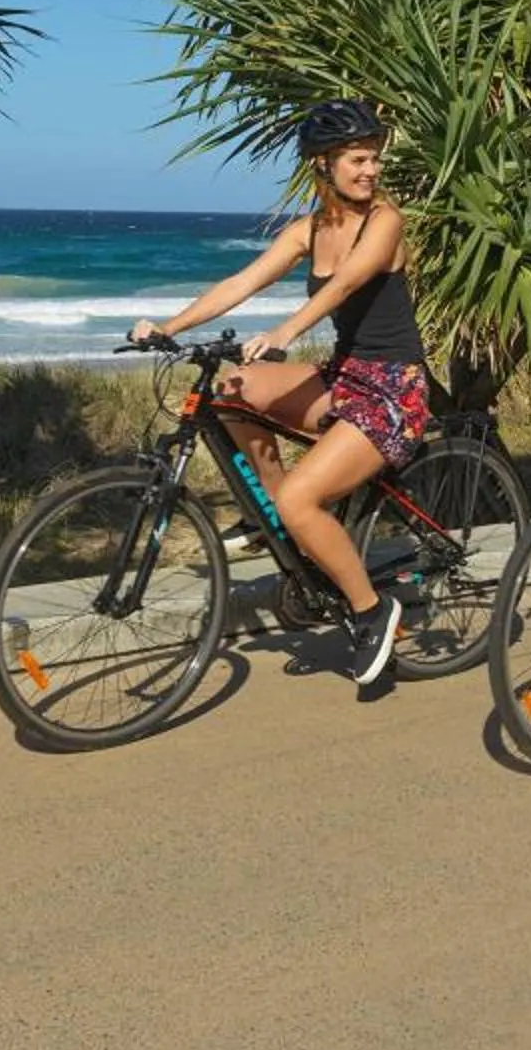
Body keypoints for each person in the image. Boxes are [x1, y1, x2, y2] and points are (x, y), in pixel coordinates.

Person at [127, 99, 432, 686]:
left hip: (395, 389)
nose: (370, 171)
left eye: (373, 159)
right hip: (345, 376)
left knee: (300, 499)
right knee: (228, 390)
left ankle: (373, 613)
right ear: (323, 165)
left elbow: (346, 284)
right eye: (357, 160)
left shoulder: (385, 221)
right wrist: (169, 327)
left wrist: (286, 332)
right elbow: (241, 281)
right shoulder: (308, 230)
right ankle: (284, 525)